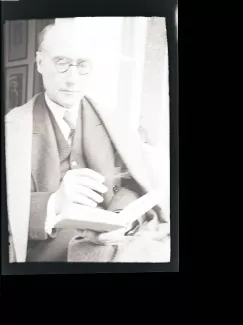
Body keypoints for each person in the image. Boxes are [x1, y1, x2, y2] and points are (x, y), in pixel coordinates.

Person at [5, 20, 170, 263]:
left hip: (114, 247)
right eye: (61, 62)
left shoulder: (113, 122)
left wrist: (118, 219)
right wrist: (53, 203)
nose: (72, 79)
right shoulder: (12, 128)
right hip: (47, 257)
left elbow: (131, 182)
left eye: (82, 65)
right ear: (40, 62)